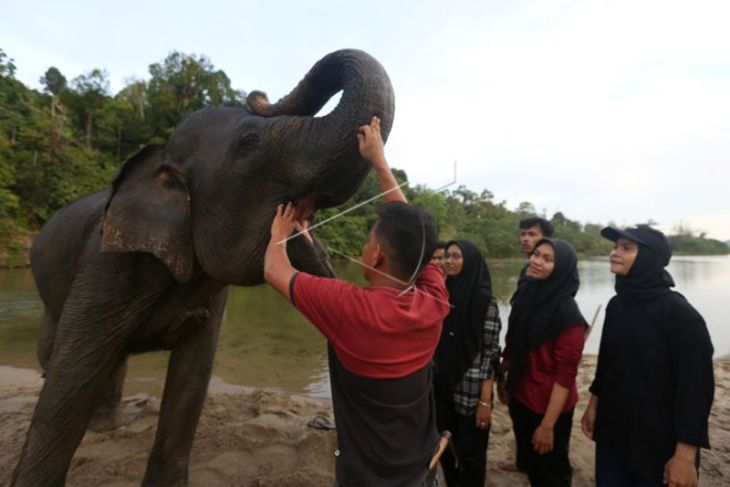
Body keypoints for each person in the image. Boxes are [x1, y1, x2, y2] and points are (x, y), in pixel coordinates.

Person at [263, 116, 450, 486]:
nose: (363, 247)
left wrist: (279, 233)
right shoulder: (435, 299)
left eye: (368, 240)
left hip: (364, 476)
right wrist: (379, 162)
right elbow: (415, 238)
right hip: (419, 468)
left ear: (377, 255)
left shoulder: (350, 307)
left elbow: (273, 270)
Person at [581, 225, 714, 487]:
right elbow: (607, 362)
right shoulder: (617, 305)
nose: (614, 253)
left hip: (657, 444)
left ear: (649, 258)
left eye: (626, 248)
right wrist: (594, 404)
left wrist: (685, 456)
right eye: (616, 246)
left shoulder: (680, 316)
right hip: (612, 433)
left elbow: (696, 388)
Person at [501, 238, 587, 486]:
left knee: (552, 471)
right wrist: (504, 376)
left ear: (561, 269)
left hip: (549, 406)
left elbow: (565, 376)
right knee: (531, 464)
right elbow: (514, 341)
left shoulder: (568, 316)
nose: (536, 261)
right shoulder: (527, 293)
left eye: (547, 259)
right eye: (536, 254)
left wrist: (548, 425)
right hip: (521, 395)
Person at [433, 240, 501, 486]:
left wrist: (485, 400)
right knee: (444, 443)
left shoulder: (485, 301)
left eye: (456, 256)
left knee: (471, 453)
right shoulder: (441, 292)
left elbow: (490, 352)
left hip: (471, 391)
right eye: (447, 256)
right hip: (441, 384)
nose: (448, 261)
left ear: (470, 261)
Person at [500, 215, 556, 474]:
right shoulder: (527, 272)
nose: (525, 239)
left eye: (532, 234)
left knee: (541, 414)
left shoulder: (555, 273)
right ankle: (524, 461)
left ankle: (539, 464)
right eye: (523, 233)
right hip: (520, 350)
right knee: (518, 408)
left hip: (540, 357)